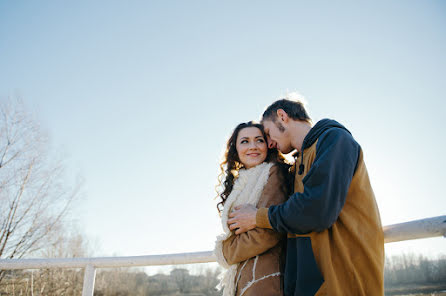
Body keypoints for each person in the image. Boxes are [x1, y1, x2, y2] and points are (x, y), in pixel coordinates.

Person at [228, 98, 385, 295]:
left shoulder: (334, 140)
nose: (268, 143)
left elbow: (316, 210)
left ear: (282, 116)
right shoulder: (296, 167)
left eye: (267, 133)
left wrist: (257, 217)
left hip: (345, 283)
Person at [214, 121, 292, 296]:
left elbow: (268, 233)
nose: (253, 147)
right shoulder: (238, 184)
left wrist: (225, 252)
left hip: (266, 277)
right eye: (245, 141)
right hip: (245, 277)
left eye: (259, 140)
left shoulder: (273, 173)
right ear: (235, 149)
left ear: (268, 145)